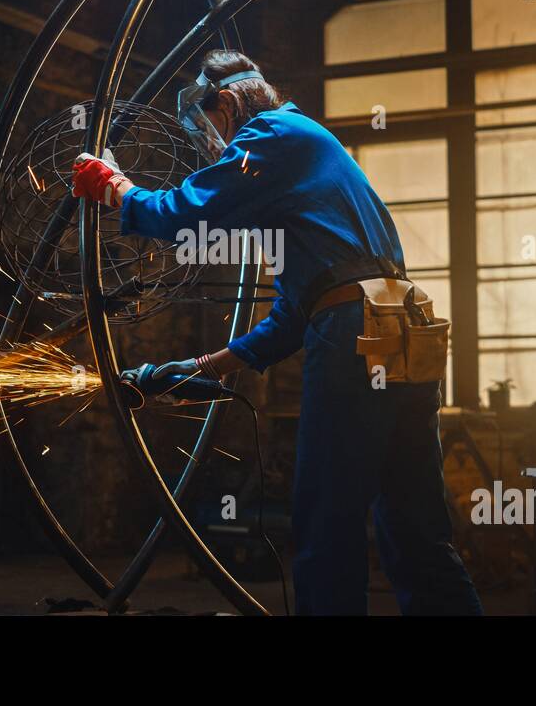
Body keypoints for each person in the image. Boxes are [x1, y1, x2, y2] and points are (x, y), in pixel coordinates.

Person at [72, 49, 482, 616]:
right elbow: (292, 318)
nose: (214, 143)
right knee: (415, 530)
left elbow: (186, 213)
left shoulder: (271, 133)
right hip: (403, 329)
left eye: (210, 123)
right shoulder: (313, 163)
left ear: (231, 101)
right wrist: (195, 370)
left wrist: (116, 187)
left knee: (326, 523)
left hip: (355, 333)